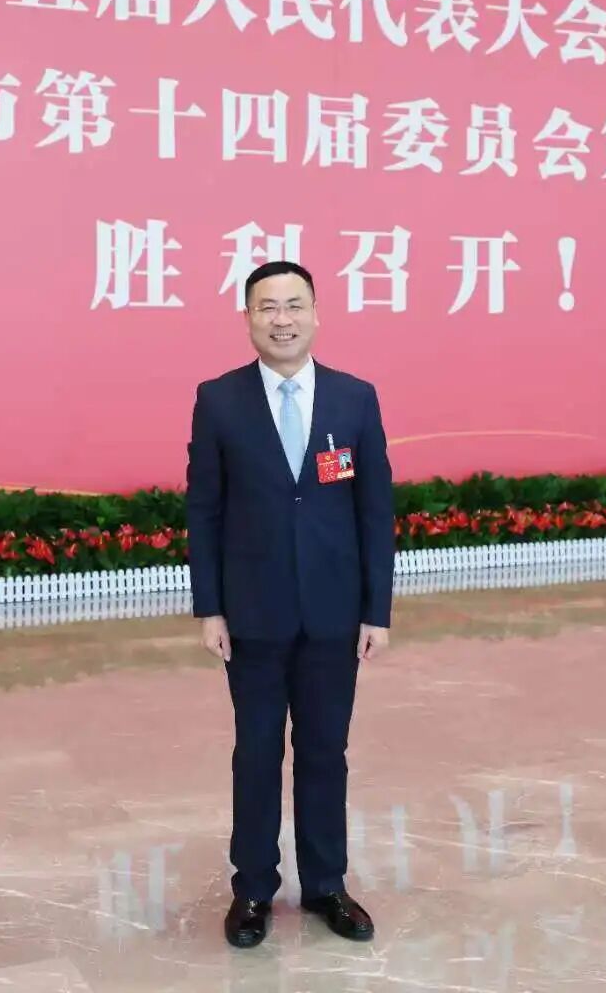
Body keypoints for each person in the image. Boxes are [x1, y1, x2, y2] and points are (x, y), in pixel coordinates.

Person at [185, 260, 395, 948]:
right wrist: (210, 608)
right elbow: (205, 511)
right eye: (267, 307)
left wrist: (377, 611)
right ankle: (252, 889)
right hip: (252, 615)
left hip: (335, 615)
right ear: (248, 318)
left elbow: (375, 512)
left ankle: (327, 885)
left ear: (316, 313)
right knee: (255, 753)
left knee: (325, 751)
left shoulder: (354, 398)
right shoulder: (219, 400)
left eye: (294, 305)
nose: (282, 319)